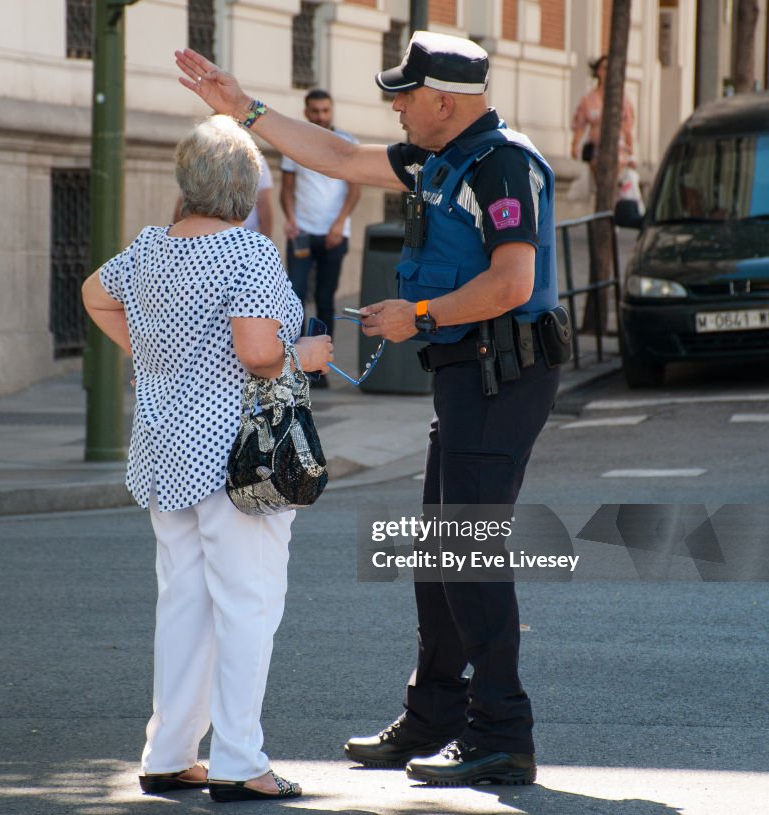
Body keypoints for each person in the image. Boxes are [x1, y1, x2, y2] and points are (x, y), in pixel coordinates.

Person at [175, 29, 563, 787]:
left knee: (466, 551)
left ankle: (502, 733)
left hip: (500, 372)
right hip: (464, 371)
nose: (396, 111)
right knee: (439, 555)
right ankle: (436, 715)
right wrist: (243, 109)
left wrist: (419, 315)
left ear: (444, 101)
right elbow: (342, 157)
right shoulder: (440, 154)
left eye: (406, 97)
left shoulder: (503, 163)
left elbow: (514, 283)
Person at [81, 115, 333, 802]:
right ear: (245, 189)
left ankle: (169, 751)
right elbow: (257, 352)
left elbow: (95, 294)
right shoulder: (247, 253)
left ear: (186, 182)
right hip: (237, 458)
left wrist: (153, 355)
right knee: (248, 605)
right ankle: (239, 759)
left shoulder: (150, 247)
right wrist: (306, 356)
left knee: (184, 603)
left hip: (166, 452)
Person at [281, 90, 361, 379]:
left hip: (334, 234)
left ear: (332, 110)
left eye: (325, 110)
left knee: (326, 300)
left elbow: (355, 188)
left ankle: (320, 368)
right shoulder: (295, 141)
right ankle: (294, 366)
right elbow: (286, 189)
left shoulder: (346, 142)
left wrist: (340, 223)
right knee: (295, 298)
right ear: (306, 112)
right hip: (302, 232)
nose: (320, 116)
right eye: (315, 111)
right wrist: (290, 220)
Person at [172, 149, 275, 238]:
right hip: (201, 237)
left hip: (242, 238)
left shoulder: (254, 158)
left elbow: (264, 205)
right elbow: (184, 200)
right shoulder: (199, 158)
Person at [570, 55, 636, 180]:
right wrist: (575, 145)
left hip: (618, 149)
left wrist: (631, 153)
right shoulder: (589, 99)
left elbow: (627, 127)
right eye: (605, 68)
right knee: (599, 179)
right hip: (596, 150)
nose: (607, 72)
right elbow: (580, 124)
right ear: (598, 71)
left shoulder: (621, 98)